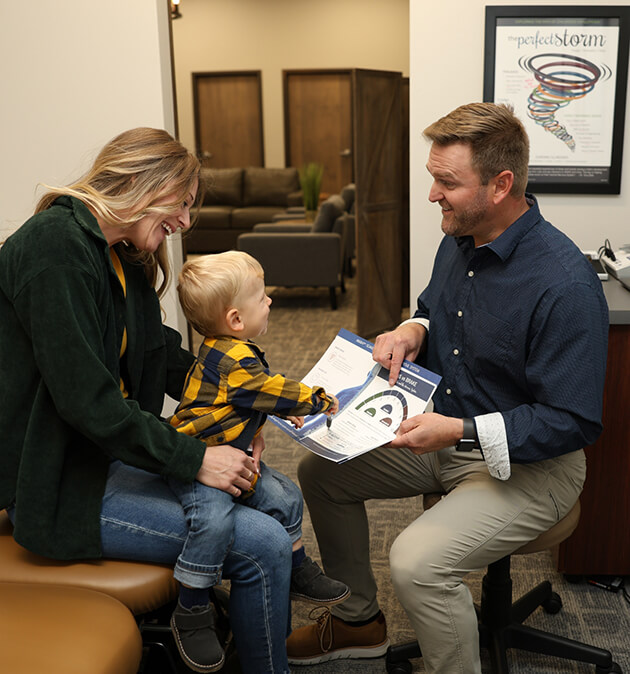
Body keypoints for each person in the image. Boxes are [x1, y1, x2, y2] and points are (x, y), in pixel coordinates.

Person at [285, 102, 609, 674]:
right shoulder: (460, 237)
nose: (432, 194)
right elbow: (437, 312)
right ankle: (360, 619)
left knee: (414, 561)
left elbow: (573, 421)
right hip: (445, 438)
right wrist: (412, 330)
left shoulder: (565, 284)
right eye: (433, 177)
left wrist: (456, 431)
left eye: (447, 182)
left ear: (501, 184)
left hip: (536, 467)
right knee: (320, 472)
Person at [0, 128, 295, 673]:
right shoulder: (55, 248)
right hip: (59, 482)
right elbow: (86, 401)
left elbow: (160, 353)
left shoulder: (122, 252)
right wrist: (197, 458)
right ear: (140, 183)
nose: (185, 222)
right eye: (181, 205)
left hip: (109, 456)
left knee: (271, 502)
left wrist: (238, 410)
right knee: (262, 545)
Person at [166, 251, 348, 669]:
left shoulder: (226, 349)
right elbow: (270, 388)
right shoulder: (237, 359)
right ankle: (191, 608)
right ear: (234, 319)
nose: (269, 302)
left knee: (284, 495)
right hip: (197, 462)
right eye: (262, 296)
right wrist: (315, 399)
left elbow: (249, 397)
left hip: (228, 448)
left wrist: (273, 411)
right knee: (212, 522)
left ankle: (298, 567)